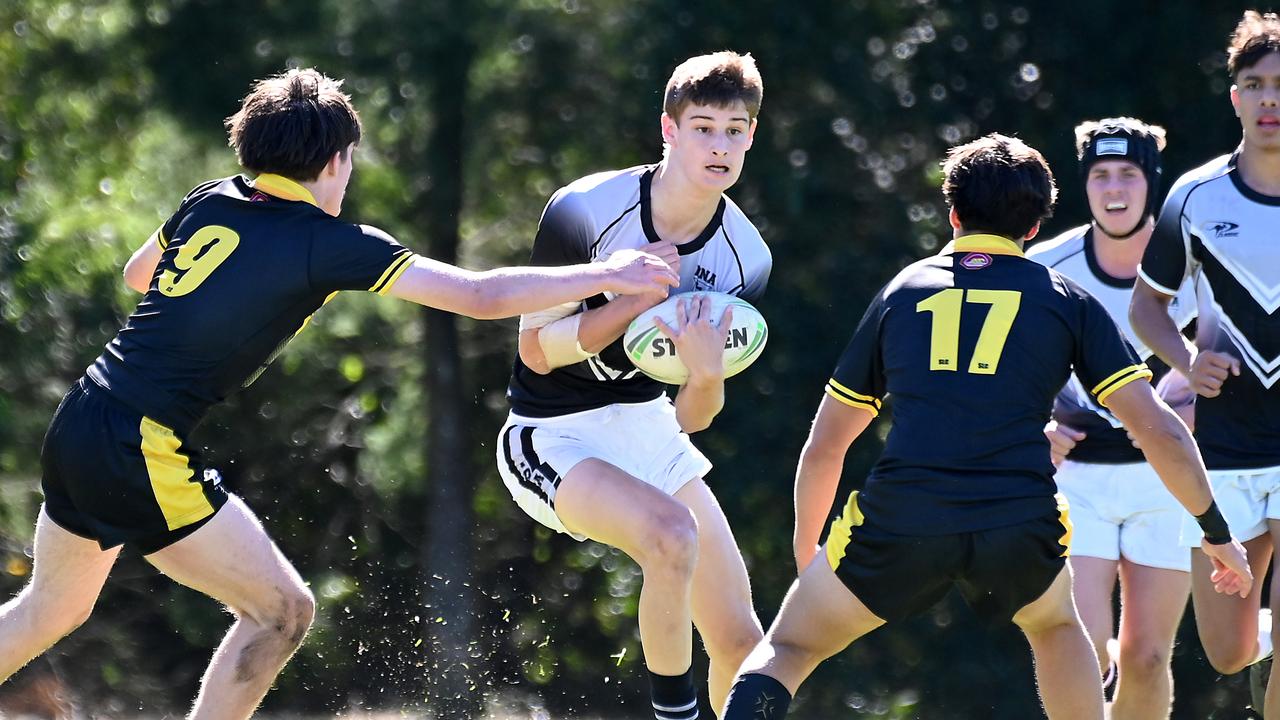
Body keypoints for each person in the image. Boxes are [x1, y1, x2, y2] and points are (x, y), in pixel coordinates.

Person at [0, 68, 678, 719]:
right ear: (332, 163)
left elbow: (138, 273)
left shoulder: (209, 197)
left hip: (83, 416)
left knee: (50, 611)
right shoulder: (329, 243)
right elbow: (480, 295)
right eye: (349, 163)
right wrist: (607, 272)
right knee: (282, 613)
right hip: (136, 443)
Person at [721, 133, 1252, 720]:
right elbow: (1161, 430)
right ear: (1032, 228)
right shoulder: (1065, 299)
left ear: (952, 215)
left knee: (788, 649)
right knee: (1054, 625)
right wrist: (1215, 530)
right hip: (1016, 522)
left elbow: (826, 445)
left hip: (904, 516)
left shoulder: (905, 291)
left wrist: (808, 554)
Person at [495, 52, 771, 719]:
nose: (720, 145)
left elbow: (694, 417)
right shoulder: (585, 210)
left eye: (735, 130)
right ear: (668, 131)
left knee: (744, 647)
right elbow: (536, 352)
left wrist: (706, 373)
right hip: (551, 433)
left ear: (751, 139)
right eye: (703, 127)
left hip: (647, 425)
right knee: (672, 536)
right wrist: (625, 294)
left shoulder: (747, 256)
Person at [1130, 10, 1280, 717]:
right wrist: (1190, 360)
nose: (1269, 99)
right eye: (1254, 84)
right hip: (1224, 455)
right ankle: (1265, 646)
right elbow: (1145, 310)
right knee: (1227, 651)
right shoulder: (1194, 197)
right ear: (1234, 98)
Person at [1027, 117, 1199, 719]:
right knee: (1084, 648)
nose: (1115, 187)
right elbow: (1013, 368)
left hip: (1168, 481)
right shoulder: (1046, 264)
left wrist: (1205, 405)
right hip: (1076, 480)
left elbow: (1240, 364)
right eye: (1101, 174)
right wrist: (1037, 427)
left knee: (1147, 658)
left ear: (1153, 183)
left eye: (1129, 172)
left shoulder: (1199, 264)